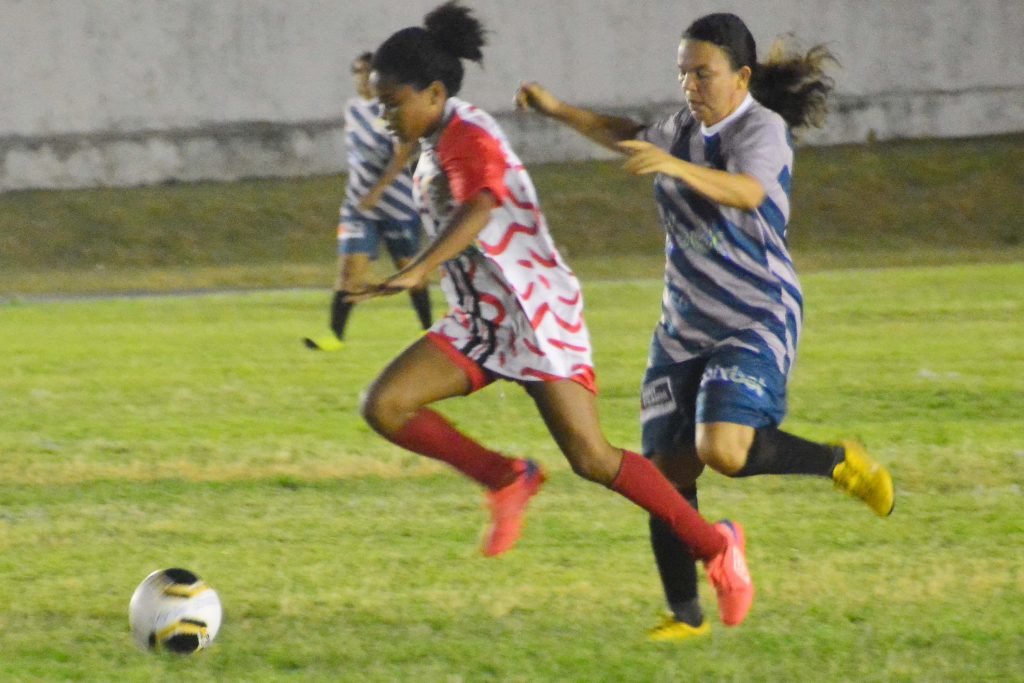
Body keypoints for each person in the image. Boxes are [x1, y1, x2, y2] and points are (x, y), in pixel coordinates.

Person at [353, 1, 754, 628]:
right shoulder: (433, 135)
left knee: (594, 459)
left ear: (434, 92)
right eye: (377, 105)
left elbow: (481, 204)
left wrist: (419, 267)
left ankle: (716, 545)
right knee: (384, 404)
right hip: (484, 316)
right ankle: (507, 478)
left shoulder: (469, 135)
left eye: (391, 103)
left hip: (535, 312)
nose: (384, 117)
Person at [516, 12, 894, 641]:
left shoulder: (761, 129)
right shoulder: (678, 129)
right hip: (682, 324)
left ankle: (838, 462)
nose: (691, 84)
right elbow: (629, 134)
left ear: (741, 76)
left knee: (723, 450)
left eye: (703, 72)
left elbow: (746, 192)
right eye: (683, 73)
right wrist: (559, 111)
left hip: (755, 313)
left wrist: (671, 168)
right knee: (664, 475)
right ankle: (686, 615)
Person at [303, 51, 432, 352]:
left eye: (366, 72)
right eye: (356, 72)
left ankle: (432, 333)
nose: (361, 78)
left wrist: (379, 189)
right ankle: (334, 337)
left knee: (409, 271)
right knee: (349, 271)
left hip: (396, 204)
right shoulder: (352, 110)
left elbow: (404, 151)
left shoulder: (391, 108)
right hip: (358, 207)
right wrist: (365, 194)